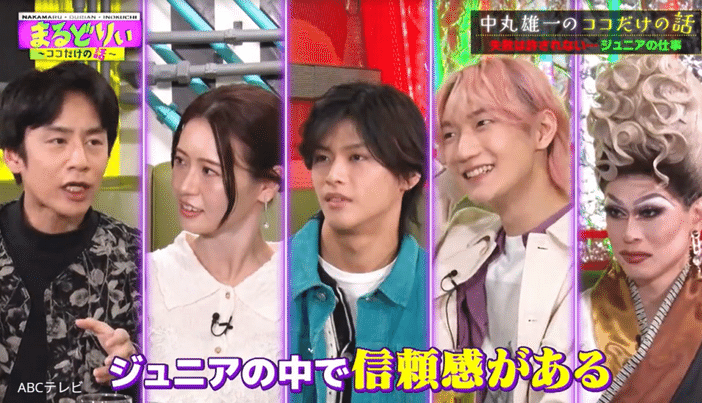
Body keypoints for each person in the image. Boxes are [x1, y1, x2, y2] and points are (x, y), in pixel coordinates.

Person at [580, 55, 702, 402]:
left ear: (697, 214)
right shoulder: (571, 320)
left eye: (649, 212)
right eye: (615, 211)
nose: (629, 233)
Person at [434, 56, 572, 403]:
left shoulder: (577, 262)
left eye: (483, 122)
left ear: (542, 130)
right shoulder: (462, 235)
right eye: (449, 134)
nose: (462, 150)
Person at [0, 62, 138, 402]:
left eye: (94, 141)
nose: (80, 160)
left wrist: (134, 369)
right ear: (13, 155)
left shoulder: (134, 258)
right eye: (58, 140)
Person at [290, 82, 427, 402]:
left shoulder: (443, 293)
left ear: (409, 174)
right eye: (322, 157)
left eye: (357, 157)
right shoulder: (265, 276)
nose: (333, 175)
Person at [148, 84, 282, 403]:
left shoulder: (304, 286)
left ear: (266, 185)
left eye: (209, 171)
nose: (185, 186)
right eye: (180, 161)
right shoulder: (143, 278)